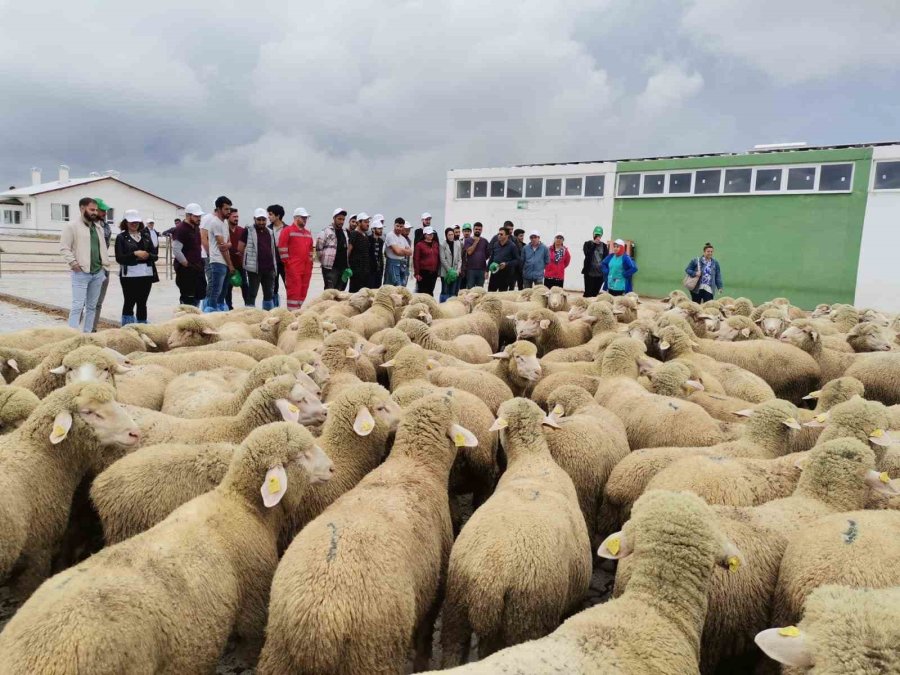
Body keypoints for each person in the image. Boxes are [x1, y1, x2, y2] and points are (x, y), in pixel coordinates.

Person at [60, 197, 109, 332]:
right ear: (82, 208)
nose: (94, 212)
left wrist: (104, 267)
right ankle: (71, 335)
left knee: (92, 306)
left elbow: (102, 247)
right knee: (77, 305)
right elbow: (64, 247)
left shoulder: (97, 227)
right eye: (91, 209)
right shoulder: (72, 226)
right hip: (81, 272)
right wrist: (73, 263)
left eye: (96, 210)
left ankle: (87, 335)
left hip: (97, 272)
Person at [114, 210, 158, 325]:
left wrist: (148, 255)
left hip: (146, 274)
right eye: (131, 222)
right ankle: (127, 326)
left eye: (137, 222)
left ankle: (142, 325)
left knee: (142, 302)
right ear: (126, 222)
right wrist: (134, 254)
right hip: (129, 275)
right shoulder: (121, 237)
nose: (134, 224)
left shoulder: (146, 236)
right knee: (129, 301)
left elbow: (155, 255)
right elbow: (119, 258)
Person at [239, 208, 278, 309]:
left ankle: (267, 314)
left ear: (266, 220)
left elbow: (272, 249)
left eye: (263, 219)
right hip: (254, 269)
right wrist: (248, 261)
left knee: (269, 294)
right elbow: (240, 248)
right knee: (252, 293)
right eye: (259, 219)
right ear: (254, 219)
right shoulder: (248, 230)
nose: (261, 222)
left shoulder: (270, 232)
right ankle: (249, 314)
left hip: (269, 268)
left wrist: (274, 267)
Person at [84, 197, 113, 332]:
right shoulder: (84, 226)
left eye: (103, 211)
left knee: (98, 302)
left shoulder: (106, 227)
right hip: (87, 268)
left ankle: (92, 328)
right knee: (82, 302)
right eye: (101, 210)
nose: (104, 213)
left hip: (102, 268)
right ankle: (77, 328)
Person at [201, 196, 234, 312]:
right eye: (226, 209)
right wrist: (230, 265)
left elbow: (228, 243)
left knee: (223, 291)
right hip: (217, 261)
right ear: (219, 209)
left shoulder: (224, 223)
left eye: (229, 209)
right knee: (215, 290)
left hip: (224, 260)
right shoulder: (215, 223)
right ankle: (211, 312)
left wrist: (228, 245)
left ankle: (219, 310)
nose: (228, 211)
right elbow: (222, 247)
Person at [278, 207, 315, 310]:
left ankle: (298, 310)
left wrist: (310, 264)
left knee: (303, 291)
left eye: (306, 218)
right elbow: (282, 248)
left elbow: (311, 250)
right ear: (296, 218)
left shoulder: (308, 233)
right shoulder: (287, 231)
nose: (305, 220)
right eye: (303, 218)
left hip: (306, 268)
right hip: (293, 268)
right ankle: (292, 314)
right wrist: (288, 264)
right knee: (294, 292)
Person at [172, 203, 206, 306]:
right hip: (186, 269)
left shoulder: (196, 228)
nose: (199, 218)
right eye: (196, 216)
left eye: (199, 216)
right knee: (188, 298)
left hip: (197, 266)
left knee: (199, 295)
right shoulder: (181, 229)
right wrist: (186, 264)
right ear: (188, 215)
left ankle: (195, 318)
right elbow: (176, 249)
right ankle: (186, 319)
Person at [316, 208, 349, 290]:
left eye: (343, 219)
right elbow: (319, 249)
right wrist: (324, 261)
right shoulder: (326, 231)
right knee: (329, 293)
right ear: (334, 218)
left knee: (340, 293)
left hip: (343, 269)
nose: (341, 221)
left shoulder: (345, 232)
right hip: (330, 268)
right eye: (339, 219)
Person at [224, 209, 249, 309]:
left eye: (237, 217)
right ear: (228, 217)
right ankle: (229, 307)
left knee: (245, 285)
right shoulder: (224, 230)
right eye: (234, 217)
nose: (236, 219)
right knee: (227, 287)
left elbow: (246, 245)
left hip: (240, 263)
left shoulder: (242, 230)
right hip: (228, 263)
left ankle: (248, 306)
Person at [487, 227, 520, 292]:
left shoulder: (512, 246)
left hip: (506, 274)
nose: (499, 236)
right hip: (494, 273)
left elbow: (517, 260)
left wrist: (506, 264)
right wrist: (487, 270)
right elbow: (492, 258)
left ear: (507, 235)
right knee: (490, 293)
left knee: (502, 294)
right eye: (498, 234)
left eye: (501, 234)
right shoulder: (495, 244)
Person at [267, 205, 288, 306]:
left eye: (270, 214)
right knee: (273, 287)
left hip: (285, 263)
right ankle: (274, 308)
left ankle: (292, 308)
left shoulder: (288, 229)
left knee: (289, 286)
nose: (268, 217)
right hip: (272, 263)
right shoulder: (267, 229)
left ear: (278, 215)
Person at [384, 217, 412, 287]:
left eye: (401, 226)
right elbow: (397, 252)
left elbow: (410, 252)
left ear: (403, 227)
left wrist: (401, 250)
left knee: (402, 286)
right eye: (397, 226)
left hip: (402, 263)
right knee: (394, 286)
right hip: (392, 263)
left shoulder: (403, 238)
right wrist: (404, 251)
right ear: (394, 225)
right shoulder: (390, 235)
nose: (399, 228)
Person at [347, 212, 371, 293]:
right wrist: (347, 266)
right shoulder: (354, 234)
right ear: (359, 223)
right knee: (354, 294)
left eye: (368, 222)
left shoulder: (365, 235)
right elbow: (348, 251)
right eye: (365, 222)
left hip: (365, 271)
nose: (368, 224)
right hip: (356, 271)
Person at [582, 226, 609, 298]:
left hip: (600, 274)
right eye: (596, 234)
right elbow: (587, 254)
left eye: (599, 235)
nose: (597, 236)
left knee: (595, 294)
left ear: (601, 235)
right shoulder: (587, 244)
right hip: (589, 273)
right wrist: (594, 244)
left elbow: (606, 259)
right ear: (593, 234)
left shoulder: (604, 246)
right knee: (588, 293)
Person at [413, 226, 440, 295]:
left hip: (433, 272)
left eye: (432, 233)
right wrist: (417, 273)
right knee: (422, 292)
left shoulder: (436, 244)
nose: (431, 235)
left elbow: (438, 257)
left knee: (430, 292)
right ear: (424, 235)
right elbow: (416, 259)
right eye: (429, 234)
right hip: (423, 272)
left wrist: (438, 270)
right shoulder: (419, 245)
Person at [439, 226, 462, 302]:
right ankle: (442, 305)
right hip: (445, 272)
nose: (451, 236)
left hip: (455, 272)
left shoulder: (457, 245)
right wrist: (449, 270)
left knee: (453, 291)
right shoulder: (442, 245)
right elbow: (442, 259)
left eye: (452, 234)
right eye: (449, 235)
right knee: (445, 290)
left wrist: (458, 270)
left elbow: (459, 259)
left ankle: (452, 306)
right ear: (446, 235)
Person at [463, 222, 488, 289]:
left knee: (479, 291)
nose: (478, 231)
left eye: (479, 229)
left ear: (481, 230)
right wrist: (476, 242)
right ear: (473, 230)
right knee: (470, 290)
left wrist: (486, 270)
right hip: (470, 270)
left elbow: (487, 254)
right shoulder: (468, 240)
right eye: (476, 229)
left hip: (482, 270)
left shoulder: (485, 241)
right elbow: (469, 252)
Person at [368, 218, 385, 289]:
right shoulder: (368, 239)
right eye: (379, 229)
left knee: (377, 289)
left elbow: (380, 255)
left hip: (378, 270)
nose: (381, 230)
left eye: (381, 228)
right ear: (373, 229)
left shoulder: (381, 241)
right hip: (370, 270)